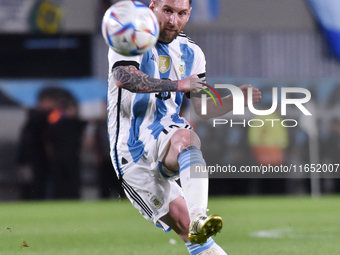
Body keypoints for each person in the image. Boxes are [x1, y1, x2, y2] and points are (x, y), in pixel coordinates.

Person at [106, 1, 261, 254]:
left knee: (186, 138)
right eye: (167, 10)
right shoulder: (131, 36)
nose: (173, 21)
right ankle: (194, 224)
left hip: (167, 133)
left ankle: (200, 215)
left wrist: (234, 100)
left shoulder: (192, 53)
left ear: (189, 14)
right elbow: (125, 78)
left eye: (181, 13)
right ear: (153, 6)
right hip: (131, 151)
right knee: (189, 232)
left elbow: (202, 108)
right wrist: (179, 84)